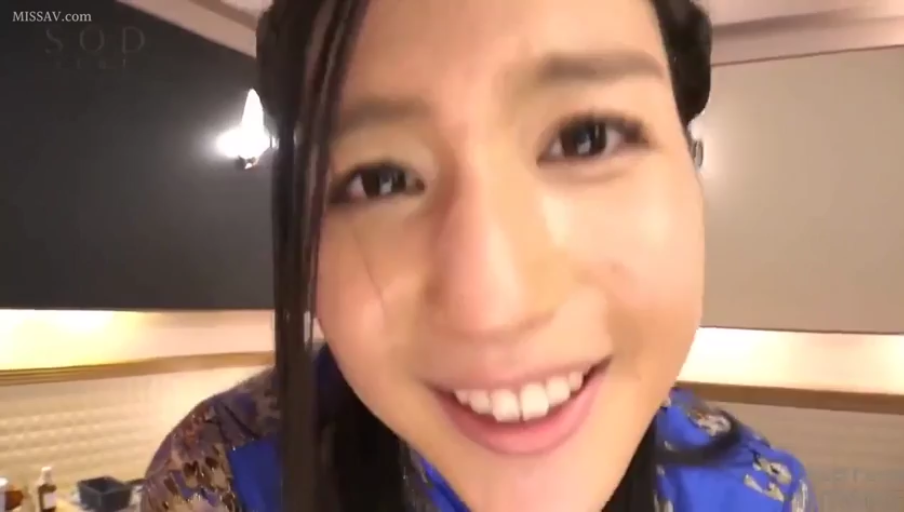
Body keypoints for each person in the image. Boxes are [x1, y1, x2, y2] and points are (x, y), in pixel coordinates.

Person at [141, 0, 818, 510]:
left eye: (587, 138)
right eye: (381, 179)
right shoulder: (220, 481)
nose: (493, 307)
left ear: (691, 166)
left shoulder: (756, 497)